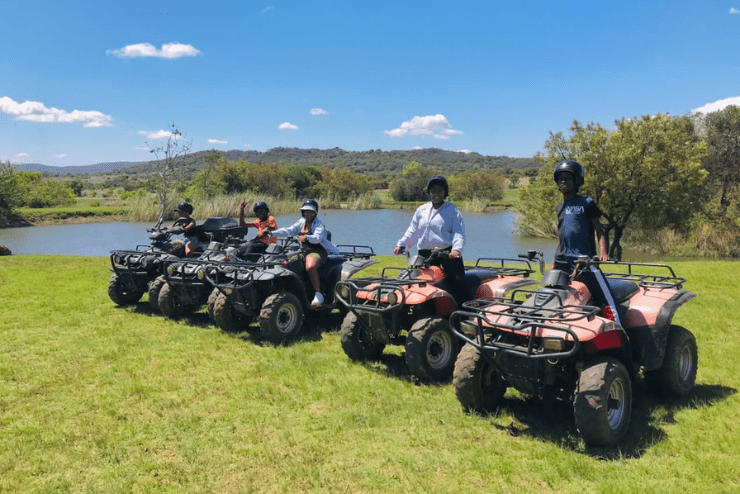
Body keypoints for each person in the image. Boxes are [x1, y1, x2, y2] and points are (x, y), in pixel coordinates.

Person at [552, 160, 621, 324]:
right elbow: (563, 236)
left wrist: (603, 253)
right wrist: (555, 261)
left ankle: (617, 329)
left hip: (585, 262)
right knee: (554, 296)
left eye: (568, 178)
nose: (563, 181)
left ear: (577, 181)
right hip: (563, 261)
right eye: (560, 178)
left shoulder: (586, 203)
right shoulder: (559, 206)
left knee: (606, 298)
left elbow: (600, 230)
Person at [394, 175, 469, 305]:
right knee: (420, 283)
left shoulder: (452, 210)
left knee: (456, 281)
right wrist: (402, 245)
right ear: (429, 193)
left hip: (447, 253)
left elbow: (459, 231)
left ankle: (462, 313)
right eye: (433, 191)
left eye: (440, 191)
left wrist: (456, 249)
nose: (436, 194)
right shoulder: (421, 210)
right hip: (425, 254)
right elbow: (413, 231)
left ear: (445, 193)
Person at [265, 199, 339, 307]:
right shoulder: (301, 222)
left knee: (310, 266)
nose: (308, 214)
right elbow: (288, 230)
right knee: (284, 264)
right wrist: (272, 233)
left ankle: (318, 294)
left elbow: (317, 238)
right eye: (306, 211)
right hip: (302, 252)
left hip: (317, 251)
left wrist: (306, 237)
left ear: (315, 213)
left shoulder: (319, 225)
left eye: (311, 211)